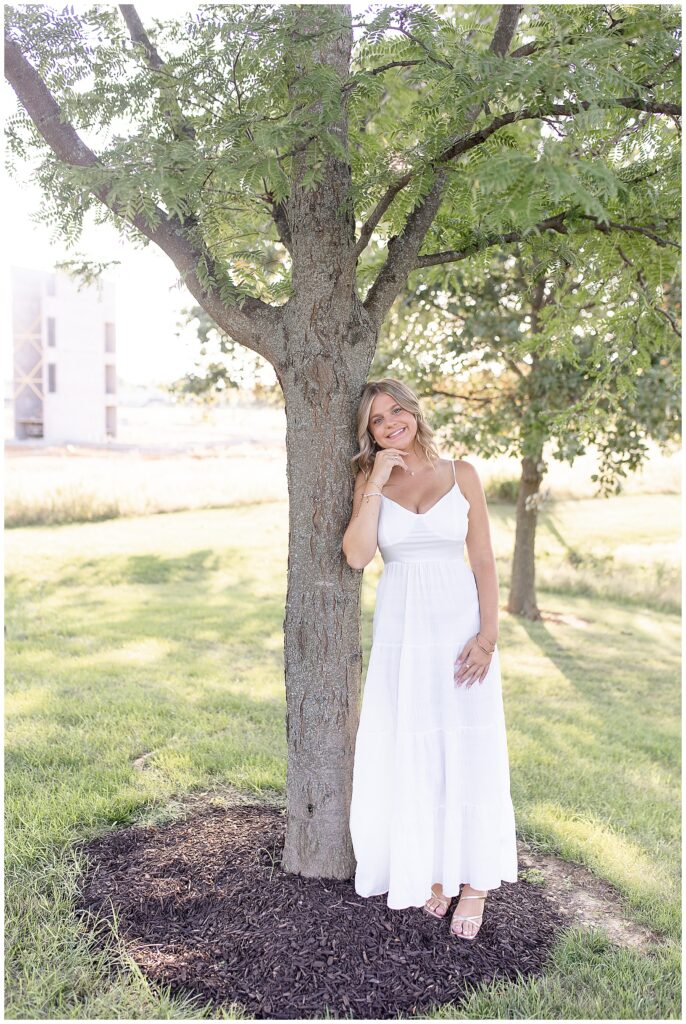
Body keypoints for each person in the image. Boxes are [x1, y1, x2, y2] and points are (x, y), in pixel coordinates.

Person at [342, 378, 518, 940]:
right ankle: (437, 872)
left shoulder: (461, 473)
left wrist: (487, 637)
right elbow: (357, 556)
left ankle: (477, 885)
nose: (391, 422)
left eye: (397, 410)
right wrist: (374, 480)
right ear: (368, 433)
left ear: (414, 413)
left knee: (467, 745)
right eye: (377, 419)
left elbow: (485, 561)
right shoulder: (369, 482)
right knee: (416, 745)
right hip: (402, 634)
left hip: (459, 629)